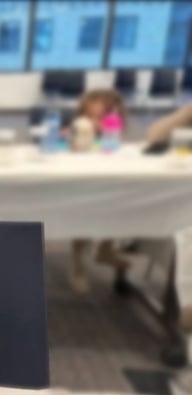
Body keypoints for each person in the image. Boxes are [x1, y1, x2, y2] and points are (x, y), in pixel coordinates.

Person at [70, 89, 129, 292]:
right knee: (81, 215)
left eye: (101, 116)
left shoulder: (113, 133)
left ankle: (106, 247)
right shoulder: (78, 130)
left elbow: (113, 150)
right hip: (82, 185)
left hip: (109, 182)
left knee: (117, 204)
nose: (95, 121)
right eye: (89, 116)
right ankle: (78, 264)